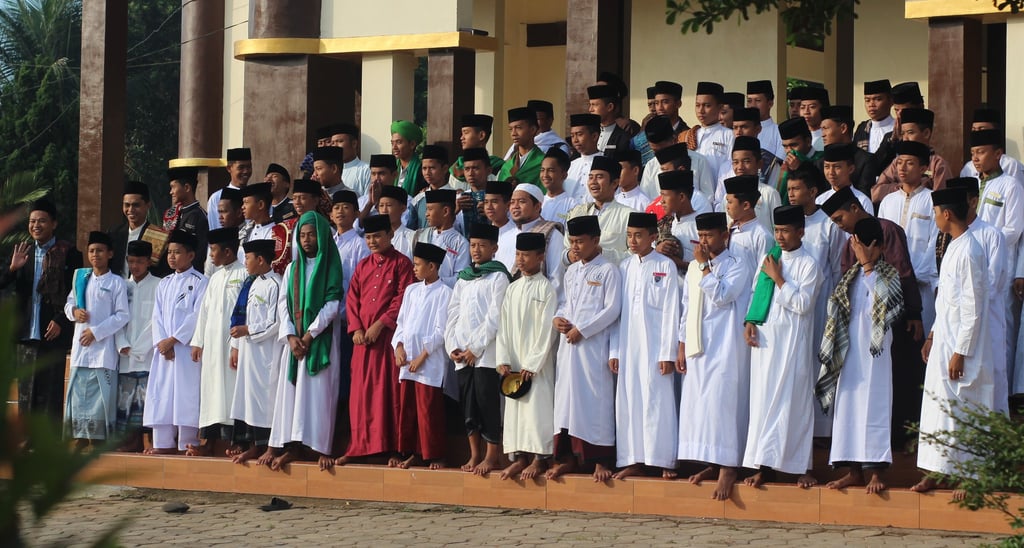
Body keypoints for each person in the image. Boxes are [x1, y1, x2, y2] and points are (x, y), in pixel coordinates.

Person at [821, 187, 925, 449]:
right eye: (834, 222)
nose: (839, 225)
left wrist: (914, 312)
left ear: (855, 208)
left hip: (894, 316)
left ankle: (901, 438)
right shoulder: (850, 242)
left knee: (899, 376)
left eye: (840, 218)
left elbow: (902, 272)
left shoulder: (887, 230)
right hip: (862, 324)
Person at [913, 188, 994, 500]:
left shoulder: (970, 250)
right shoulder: (953, 246)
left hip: (962, 346)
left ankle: (968, 476)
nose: (935, 218)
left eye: (935, 213)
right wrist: (933, 336)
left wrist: (961, 352)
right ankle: (938, 471)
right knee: (939, 409)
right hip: (945, 339)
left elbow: (973, 306)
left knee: (964, 408)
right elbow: (946, 301)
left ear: (946, 214)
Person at [816, 216, 905, 494]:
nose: (858, 251)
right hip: (850, 352)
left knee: (874, 407)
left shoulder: (888, 274)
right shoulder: (850, 277)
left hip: (875, 354)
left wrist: (868, 266)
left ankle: (876, 472)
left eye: (863, 246)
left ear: (878, 246)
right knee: (848, 409)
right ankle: (853, 471)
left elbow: (887, 305)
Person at [741, 206, 822, 488]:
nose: (780, 236)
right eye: (777, 230)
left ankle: (801, 468)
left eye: (786, 231)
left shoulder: (809, 265)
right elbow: (756, 292)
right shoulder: (770, 258)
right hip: (765, 344)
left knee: (794, 404)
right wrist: (749, 321)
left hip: (792, 347)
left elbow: (803, 304)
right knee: (763, 404)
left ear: (801, 232)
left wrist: (778, 278)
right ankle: (764, 467)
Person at [677, 212, 753, 499]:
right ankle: (711, 462)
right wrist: (681, 344)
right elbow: (687, 306)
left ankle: (729, 466)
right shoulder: (695, 267)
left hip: (726, 346)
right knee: (701, 407)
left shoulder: (738, 264)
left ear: (725, 235)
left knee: (724, 405)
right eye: (701, 236)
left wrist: (703, 267)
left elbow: (723, 295)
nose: (704, 241)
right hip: (698, 346)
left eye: (709, 235)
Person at [267, 212, 344, 471]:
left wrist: (309, 335)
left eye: (311, 234)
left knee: (318, 394)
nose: (307, 240)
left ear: (321, 236)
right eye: (302, 235)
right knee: (291, 395)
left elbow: (332, 304)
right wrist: (291, 336)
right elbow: (283, 305)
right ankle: (292, 446)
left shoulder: (330, 265)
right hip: (294, 344)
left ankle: (320, 447)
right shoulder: (292, 268)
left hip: (319, 341)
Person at [548, 216, 622, 482]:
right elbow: (565, 303)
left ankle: (600, 459)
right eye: (572, 242)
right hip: (569, 347)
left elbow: (612, 309)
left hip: (593, 347)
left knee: (594, 400)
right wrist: (558, 318)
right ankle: (568, 458)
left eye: (580, 241)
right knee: (567, 401)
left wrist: (583, 329)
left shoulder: (608, 270)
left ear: (596, 240)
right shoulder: (571, 271)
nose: (575, 247)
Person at [340, 214, 416, 466]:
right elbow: (352, 299)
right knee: (360, 395)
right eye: (368, 237)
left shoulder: (402, 264)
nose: (372, 241)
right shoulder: (363, 265)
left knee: (389, 393)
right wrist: (356, 329)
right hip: (362, 342)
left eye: (377, 236)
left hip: (388, 341)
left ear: (390, 235)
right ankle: (358, 447)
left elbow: (403, 298)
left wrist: (381, 324)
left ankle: (394, 448)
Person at [611, 212, 681, 480]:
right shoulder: (624, 267)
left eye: (638, 235)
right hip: (629, 346)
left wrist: (668, 353)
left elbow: (671, 310)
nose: (632, 241)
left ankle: (662, 459)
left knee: (657, 400)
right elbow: (617, 313)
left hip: (655, 348)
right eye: (629, 235)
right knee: (629, 401)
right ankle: (633, 459)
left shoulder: (665, 265)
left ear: (653, 237)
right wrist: (615, 350)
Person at [1, 198, 81, 423]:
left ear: (54, 223)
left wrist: (60, 320)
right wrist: (12, 269)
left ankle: (50, 438)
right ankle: (25, 437)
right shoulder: (22, 252)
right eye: (32, 221)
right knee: (26, 393)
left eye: (42, 221)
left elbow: (76, 292)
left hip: (53, 331)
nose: (36, 225)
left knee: (51, 392)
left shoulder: (69, 252)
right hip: (27, 333)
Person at [445, 222, 511, 476]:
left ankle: (492, 456)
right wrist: (453, 346)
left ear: (494, 248)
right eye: (473, 245)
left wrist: (476, 347)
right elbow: (453, 312)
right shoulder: (464, 278)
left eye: (482, 245)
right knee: (469, 406)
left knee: (487, 403)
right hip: (462, 353)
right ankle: (474, 454)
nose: (476, 250)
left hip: (486, 353)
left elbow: (495, 316)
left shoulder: (499, 277)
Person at [496, 232, 558, 481]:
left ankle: (539, 458)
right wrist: (503, 359)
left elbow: (547, 330)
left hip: (537, 365)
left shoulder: (547, 289)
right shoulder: (512, 288)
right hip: (514, 362)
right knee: (515, 410)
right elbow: (503, 326)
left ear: (540, 257)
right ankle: (519, 458)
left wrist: (532, 364)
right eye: (518, 254)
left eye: (526, 255)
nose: (520, 260)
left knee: (537, 409)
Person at [143, 230, 209, 454]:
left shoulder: (200, 282)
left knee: (185, 394)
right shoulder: (165, 283)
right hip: (164, 350)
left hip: (185, 349)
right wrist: (162, 342)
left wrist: (173, 340)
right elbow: (157, 316)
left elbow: (197, 315)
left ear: (190, 255)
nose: (171, 257)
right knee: (162, 393)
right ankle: (162, 443)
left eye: (177, 252)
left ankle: (187, 443)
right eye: (169, 252)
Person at [63, 231, 129, 449]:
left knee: (101, 395)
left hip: (103, 348)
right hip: (81, 347)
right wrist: (74, 312)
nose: (95, 255)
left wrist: (96, 332)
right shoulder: (81, 278)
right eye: (91, 251)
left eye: (100, 251)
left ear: (110, 254)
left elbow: (122, 315)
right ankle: (79, 435)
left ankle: (98, 437)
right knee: (79, 392)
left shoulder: (117, 282)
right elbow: (68, 304)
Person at [187, 227, 247, 456]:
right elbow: (204, 312)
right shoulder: (215, 278)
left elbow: (245, 313)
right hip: (212, 345)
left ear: (228, 251)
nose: (211, 255)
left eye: (213, 250)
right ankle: (208, 443)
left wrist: (237, 346)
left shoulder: (244, 274)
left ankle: (238, 442)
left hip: (232, 344)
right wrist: (198, 341)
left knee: (232, 391)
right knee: (211, 392)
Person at [393, 242, 452, 469]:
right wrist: (399, 347)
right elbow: (402, 323)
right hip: (408, 360)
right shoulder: (411, 290)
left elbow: (441, 330)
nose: (414, 268)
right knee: (409, 409)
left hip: (429, 362)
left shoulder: (444, 292)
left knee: (428, 410)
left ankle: (435, 455)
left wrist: (422, 356)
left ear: (432, 266)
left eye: (418, 265)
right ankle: (413, 453)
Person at [228, 239, 285, 464]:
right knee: (249, 399)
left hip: (266, 354)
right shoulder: (252, 283)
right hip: (250, 352)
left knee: (266, 400)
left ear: (260, 260)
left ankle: (269, 447)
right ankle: (253, 445)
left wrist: (248, 329)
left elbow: (276, 322)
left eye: (248, 258)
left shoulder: (275, 284)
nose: (245, 263)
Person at [876, 140, 939, 332]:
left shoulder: (932, 200)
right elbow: (880, 240)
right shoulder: (888, 201)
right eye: (899, 162)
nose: (902, 168)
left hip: (921, 282)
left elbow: (935, 241)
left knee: (921, 332)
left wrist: (914, 276)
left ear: (923, 168)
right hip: (889, 283)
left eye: (910, 163)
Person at [113, 240, 161, 452]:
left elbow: (157, 320)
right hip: (125, 353)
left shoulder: (160, 285)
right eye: (131, 261)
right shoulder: (121, 286)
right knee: (126, 402)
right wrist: (121, 343)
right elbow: (115, 319)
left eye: (140, 262)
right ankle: (130, 442)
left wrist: (141, 348)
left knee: (148, 400)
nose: (135, 266)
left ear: (149, 262)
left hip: (149, 354)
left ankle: (152, 442)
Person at [563, 156, 635, 266]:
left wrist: (602, 253)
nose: (593, 182)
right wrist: (569, 256)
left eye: (599, 177)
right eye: (591, 177)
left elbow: (635, 256)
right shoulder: (577, 212)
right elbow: (565, 248)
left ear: (614, 183)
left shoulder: (628, 215)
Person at [872, 108, 951, 202]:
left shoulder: (937, 164)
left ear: (926, 134)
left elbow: (941, 201)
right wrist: (903, 187)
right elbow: (875, 193)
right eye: (902, 133)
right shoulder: (898, 161)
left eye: (910, 133)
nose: (905, 138)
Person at [715, 136, 781, 231]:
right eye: (735, 162)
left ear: (759, 164)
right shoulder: (728, 197)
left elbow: (778, 228)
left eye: (746, 161)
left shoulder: (769, 193)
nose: (740, 167)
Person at [816, 105, 880, 197]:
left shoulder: (865, 160)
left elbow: (864, 195)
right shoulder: (820, 162)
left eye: (825, 128)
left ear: (843, 128)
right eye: (821, 129)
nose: (823, 135)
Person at [414, 189, 470, 288]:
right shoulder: (421, 236)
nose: (426, 214)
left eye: (430, 209)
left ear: (445, 211)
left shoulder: (460, 243)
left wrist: (435, 281)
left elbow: (461, 278)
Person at [682, 81, 734, 176]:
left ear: (720, 107)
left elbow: (731, 168)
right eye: (698, 105)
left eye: (707, 106)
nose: (701, 111)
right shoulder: (690, 135)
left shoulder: (729, 135)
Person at [655, 170, 700, 277]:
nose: (661, 201)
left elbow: (709, 266)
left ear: (681, 197)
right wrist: (658, 250)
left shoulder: (701, 227)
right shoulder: (662, 223)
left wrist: (677, 262)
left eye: (665, 196)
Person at [163, 167, 209, 271]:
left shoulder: (200, 216)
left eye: (173, 187)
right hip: (170, 274)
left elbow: (201, 254)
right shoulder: (172, 213)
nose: (171, 192)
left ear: (187, 187)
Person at [723, 175, 773, 270]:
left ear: (746, 205)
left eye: (730, 202)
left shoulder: (762, 236)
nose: (727, 207)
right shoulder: (731, 231)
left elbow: (764, 272)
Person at [240, 182, 290, 275]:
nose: (242, 207)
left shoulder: (278, 232)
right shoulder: (244, 232)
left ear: (261, 205)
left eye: (246, 202)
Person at [109, 181, 154, 277]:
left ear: (148, 205)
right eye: (127, 205)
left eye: (136, 205)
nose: (130, 210)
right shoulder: (113, 233)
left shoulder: (157, 236)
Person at [449, 114, 504, 191]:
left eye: (466, 133)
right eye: (467, 169)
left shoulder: (499, 168)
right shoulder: (456, 168)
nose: (462, 138)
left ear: (481, 135)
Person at [502, 100, 571, 158]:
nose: (534, 123)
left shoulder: (558, 146)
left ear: (550, 120)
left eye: (537, 119)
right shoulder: (518, 145)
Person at [818, 143, 874, 214]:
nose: (831, 172)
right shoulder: (820, 201)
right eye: (827, 167)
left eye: (837, 167)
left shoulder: (862, 201)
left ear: (851, 169)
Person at [499, 107, 545, 190]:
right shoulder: (507, 166)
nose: (513, 133)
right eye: (510, 129)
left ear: (533, 129)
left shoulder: (543, 163)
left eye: (518, 128)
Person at [411, 145, 455, 228]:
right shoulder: (418, 199)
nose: (427, 173)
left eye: (432, 168)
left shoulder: (456, 198)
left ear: (445, 169)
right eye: (424, 168)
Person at [208, 147, 252, 230]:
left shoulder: (254, 196)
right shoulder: (216, 198)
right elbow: (215, 230)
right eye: (241, 167)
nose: (246, 171)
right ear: (229, 168)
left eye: (249, 167)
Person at [456, 147, 496, 231]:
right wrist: (454, 212)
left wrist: (492, 215)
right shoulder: (459, 200)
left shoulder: (499, 198)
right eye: (467, 169)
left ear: (489, 170)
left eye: (475, 168)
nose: (470, 173)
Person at [539, 148, 580, 228]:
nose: (545, 175)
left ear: (564, 175)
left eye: (551, 170)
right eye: (542, 170)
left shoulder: (572, 205)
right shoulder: (537, 203)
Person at [566, 113, 604, 199]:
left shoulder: (607, 165)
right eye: (572, 136)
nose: (575, 140)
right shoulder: (570, 166)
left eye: (579, 134)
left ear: (594, 136)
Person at [587, 84, 634, 154]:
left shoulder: (622, 138)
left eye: (594, 105)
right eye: (590, 105)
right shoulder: (587, 135)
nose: (590, 109)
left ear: (610, 107)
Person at [745, 79, 785, 160]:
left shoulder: (779, 133)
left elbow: (779, 163)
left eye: (758, 100)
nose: (752, 105)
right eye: (749, 101)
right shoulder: (740, 131)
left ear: (770, 103)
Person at [854, 80, 895, 154]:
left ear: (891, 101)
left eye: (878, 99)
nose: (871, 104)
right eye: (867, 100)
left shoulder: (898, 128)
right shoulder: (862, 129)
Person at [328, 123, 371, 196]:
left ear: (354, 143)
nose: (335, 146)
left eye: (340, 141)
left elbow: (368, 199)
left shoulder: (366, 170)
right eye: (332, 143)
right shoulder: (329, 170)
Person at [379, 185, 416, 259]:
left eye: (389, 205)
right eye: (381, 205)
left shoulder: (412, 237)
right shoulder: (374, 238)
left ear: (403, 208)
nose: (384, 210)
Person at [391, 120, 424, 196]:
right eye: (392, 143)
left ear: (412, 144)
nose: (394, 147)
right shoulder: (392, 167)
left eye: (398, 142)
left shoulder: (421, 170)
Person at [796, 86, 829, 151]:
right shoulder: (797, 137)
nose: (806, 112)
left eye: (812, 107)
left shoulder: (830, 137)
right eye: (802, 107)